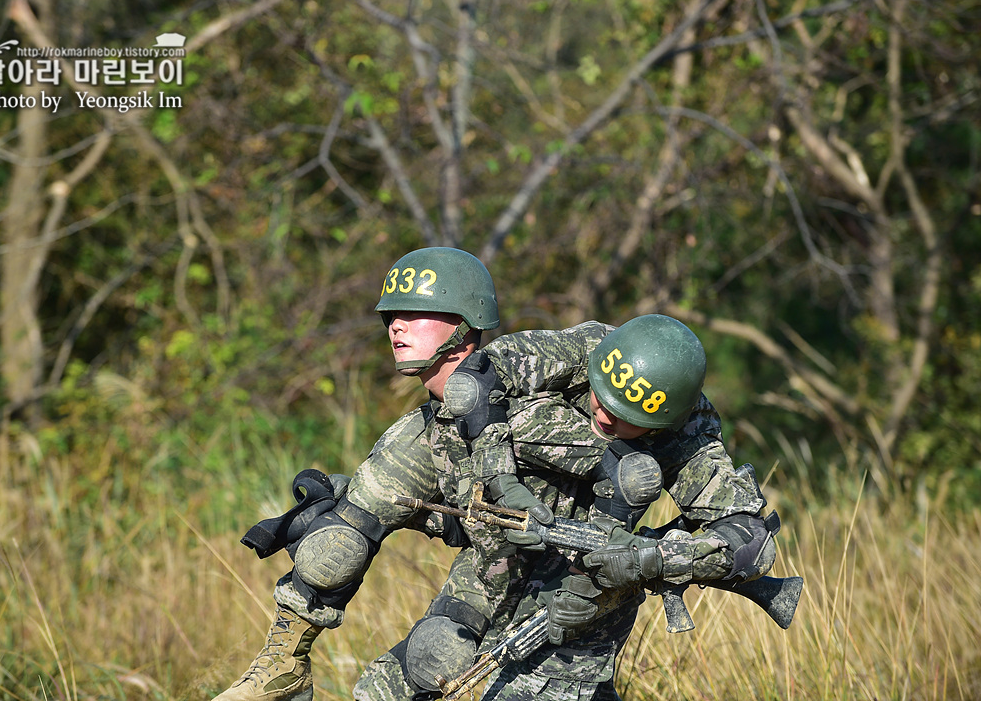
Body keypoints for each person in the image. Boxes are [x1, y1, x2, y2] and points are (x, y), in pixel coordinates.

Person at [215, 248, 779, 701]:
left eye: (416, 313)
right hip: (492, 551)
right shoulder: (568, 354)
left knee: (531, 680)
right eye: (392, 313)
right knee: (340, 553)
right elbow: (486, 378)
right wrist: (503, 484)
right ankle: (281, 671)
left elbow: (747, 540)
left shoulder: (688, 425)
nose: (396, 326)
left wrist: (647, 559)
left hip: (581, 580)